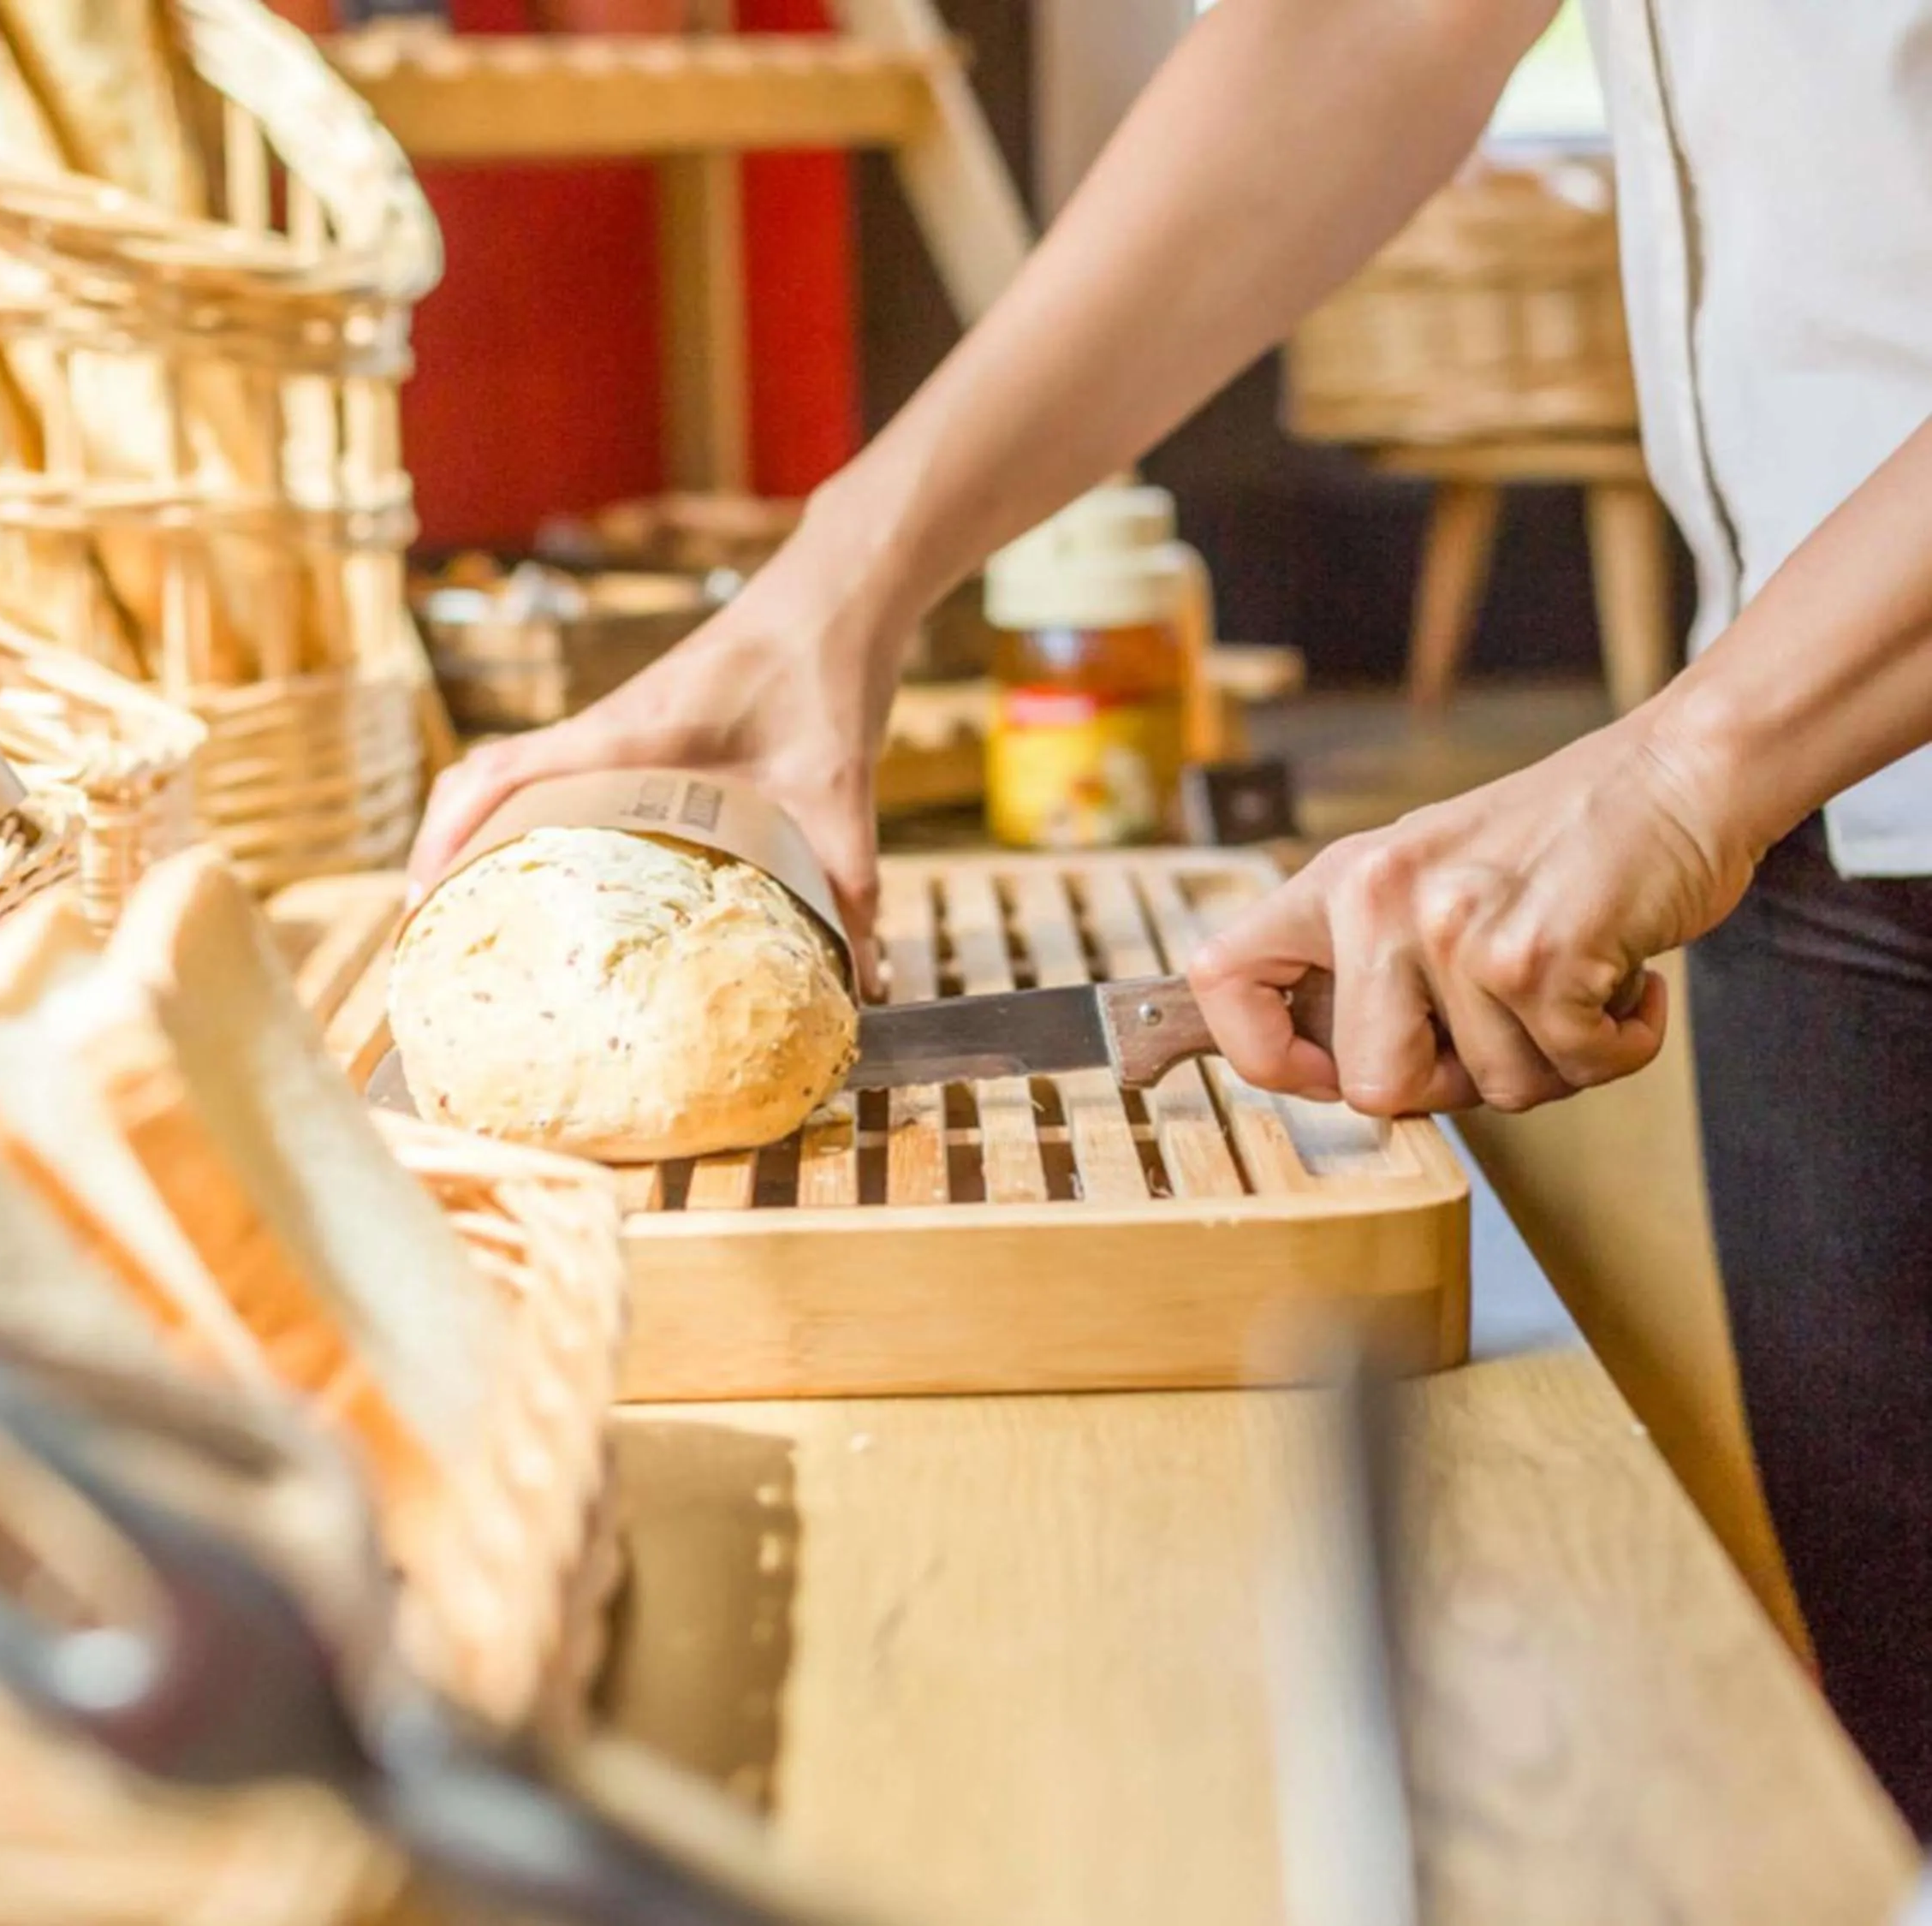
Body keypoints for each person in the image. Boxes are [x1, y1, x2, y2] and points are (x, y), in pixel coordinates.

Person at [406, 0, 1932, 1828]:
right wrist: (841, 583)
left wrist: (1688, 769)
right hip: (1822, 789)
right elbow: (1371, 34)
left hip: (1761, 745)